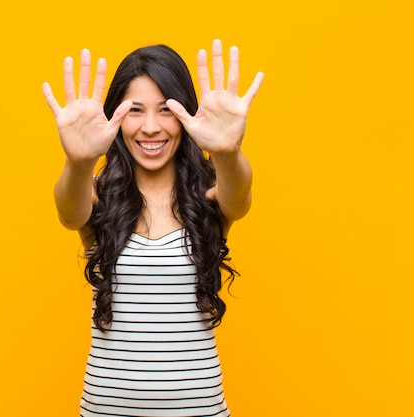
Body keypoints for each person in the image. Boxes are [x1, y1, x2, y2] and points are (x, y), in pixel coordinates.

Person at [43, 39, 263, 417]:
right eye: (135, 110)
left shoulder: (209, 198)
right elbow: (68, 211)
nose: (150, 127)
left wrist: (229, 153)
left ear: (187, 115)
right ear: (114, 116)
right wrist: (78, 162)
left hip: (199, 409)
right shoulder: (100, 197)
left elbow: (239, 195)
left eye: (165, 111)